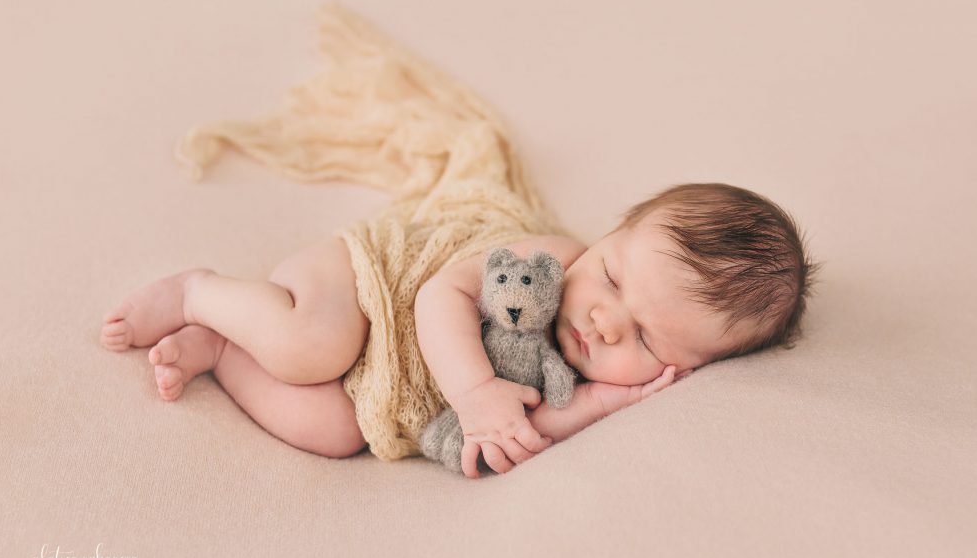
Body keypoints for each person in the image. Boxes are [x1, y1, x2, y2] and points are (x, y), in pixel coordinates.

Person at [100, 181, 818, 478]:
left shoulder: (599, 381)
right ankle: (201, 290)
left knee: (336, 432)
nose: (603, 323)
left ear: (685, 369)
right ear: (610, 233)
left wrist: (604, 404)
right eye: (615, 279)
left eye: (649, 341)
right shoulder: (553, 261)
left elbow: (535, 425)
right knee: (313, 345)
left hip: (384, 381)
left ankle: (224, 347)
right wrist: (475, 391)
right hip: (373, 284)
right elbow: (440, 293)